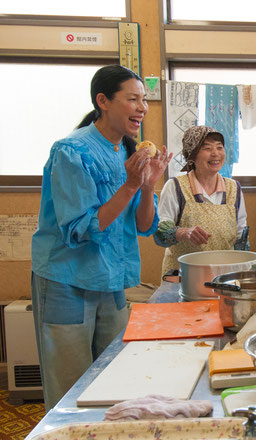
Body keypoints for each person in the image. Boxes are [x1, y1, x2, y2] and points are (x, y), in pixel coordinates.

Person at [31, 65, 171, 410]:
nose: (142, 107)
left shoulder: (128, 151)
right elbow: (81, 229)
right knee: (71, 384)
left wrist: (150, 183)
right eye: (132, 99)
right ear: (103, 101)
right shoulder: (71, 151)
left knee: (112, 375)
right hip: (67, 280)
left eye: (144, 100)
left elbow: (143, 226)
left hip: (110, 280)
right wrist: (130, 185)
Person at [154, 125, 248, 275]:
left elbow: (241, 238)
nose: (216, 153)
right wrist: (184, 232)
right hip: (182, 276)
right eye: (207, 148)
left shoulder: (233, 189)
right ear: (192, 155)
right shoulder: (175, 187)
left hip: (223, 277)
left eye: (219, 147)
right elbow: (160, 235)